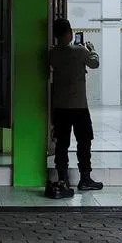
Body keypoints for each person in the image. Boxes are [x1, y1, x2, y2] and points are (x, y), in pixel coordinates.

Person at [47, 18, 103, 194]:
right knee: (84, 142)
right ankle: (85, 178)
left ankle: (62, 179)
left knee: (61, 143)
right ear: (70, 32)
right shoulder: (80, 51)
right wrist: (92, 50)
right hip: (79, 106)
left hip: (60, 106)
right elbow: (94, 63)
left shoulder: (52, 53)